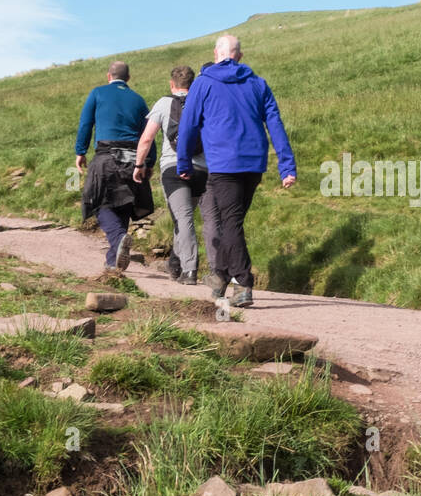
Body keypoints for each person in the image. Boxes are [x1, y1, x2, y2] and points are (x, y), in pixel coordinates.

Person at [175, 35, 297, 307]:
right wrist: (286, 166)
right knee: (232, 219)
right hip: (254, 164)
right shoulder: (258, 83)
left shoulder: (203, 83)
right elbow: (275, 124)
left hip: (223, 164)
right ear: (239, 56)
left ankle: (242, 282)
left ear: (215, 53)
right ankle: (220, 276)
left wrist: (183, 162)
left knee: (230, 222)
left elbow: (188, 125)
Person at [134, 65, 219, 285]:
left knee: (183, 218)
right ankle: (176, 263)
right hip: (202, 169)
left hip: (173, 168)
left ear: (172, 84)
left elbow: (146, 138)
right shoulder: (203, 102)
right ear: (193, 84)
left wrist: (139, 164)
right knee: (183, 218)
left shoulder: (164, 103)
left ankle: (190, 270)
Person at [75, 61, 157, 273]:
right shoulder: (138, 99)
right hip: (133, 159)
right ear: (128, 78)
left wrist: (80, 151)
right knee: (123, 204)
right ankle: (113, 262)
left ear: (108, 76)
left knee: (98, 202)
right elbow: (148, 133)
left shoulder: (97, 93)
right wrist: (149, 162)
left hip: (106, 155)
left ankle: (119, 239)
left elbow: (86, 123)